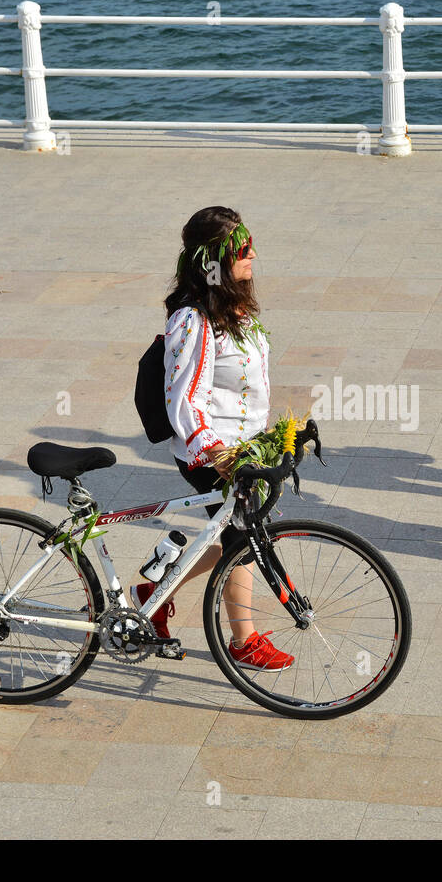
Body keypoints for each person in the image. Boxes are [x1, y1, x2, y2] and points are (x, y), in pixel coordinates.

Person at [129, 206, 293, 671]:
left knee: (239, 537)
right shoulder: (194, 320)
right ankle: (243, 640)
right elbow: (184, 399)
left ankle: (154, 592)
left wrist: (277, 434)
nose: (253, 256)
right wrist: (217, 453)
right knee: (244, 539)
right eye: (242, 250)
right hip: (211, 452)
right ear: (214, 260)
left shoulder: (233, 307)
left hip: (244, 447)